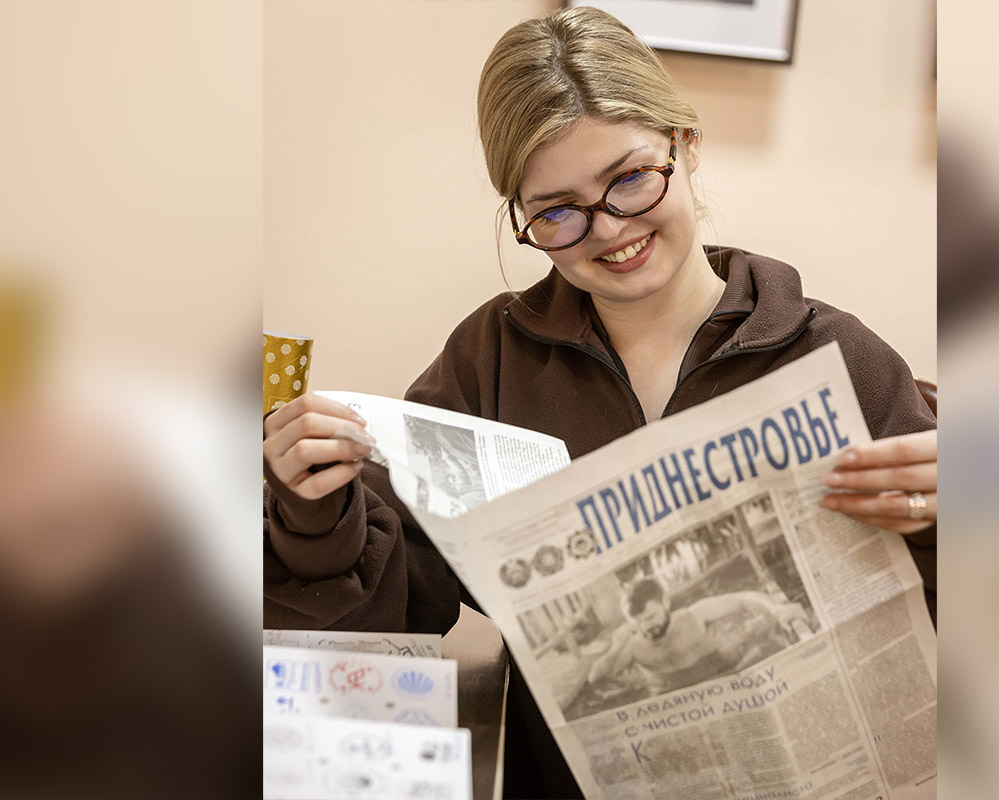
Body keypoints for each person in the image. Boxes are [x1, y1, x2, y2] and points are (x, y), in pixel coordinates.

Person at [263, 8, 937, 797]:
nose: (608, 229)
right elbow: (391, 621)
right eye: (556, 212)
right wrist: (312, 513)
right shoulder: (489, 362)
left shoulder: (836, 357)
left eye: (629, 179)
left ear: (686, 144)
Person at [586, 578, 813, 696]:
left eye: (651, 617)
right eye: (637, 622)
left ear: (665, 602)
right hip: (676, 699)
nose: (646, 627)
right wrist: (616, 648)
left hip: (723, 678)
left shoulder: (693, 618)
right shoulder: (631, 644)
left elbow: (742, 598)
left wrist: (776, 610)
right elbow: (595, 678)